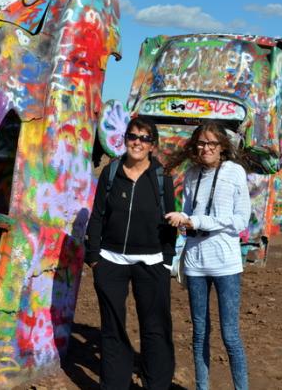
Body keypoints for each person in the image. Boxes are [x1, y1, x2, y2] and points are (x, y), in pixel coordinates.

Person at [85, 116, 176, 390]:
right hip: (111, 261)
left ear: (152, 145)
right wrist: (94, 258)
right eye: (133, 136)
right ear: (125, 139)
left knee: (155, 329)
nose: (137, 142)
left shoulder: (162, 177)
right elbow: (98, 215)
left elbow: (170, 221)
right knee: (112, 330)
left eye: (144, 138)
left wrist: (166, 261)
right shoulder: (111, 172)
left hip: (152, 262)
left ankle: (156, 384)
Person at [165, 122, 251, 390]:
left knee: (230, 336)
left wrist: (197, 221)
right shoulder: (191, 175)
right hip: (195, 263)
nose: (206, 148)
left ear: (222, 146)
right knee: (199, 333)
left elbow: (240, 221)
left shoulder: (235, 172)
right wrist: (182, 224)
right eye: (201, 143)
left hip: (226, 264)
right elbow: (189, 216)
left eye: (212, 143)